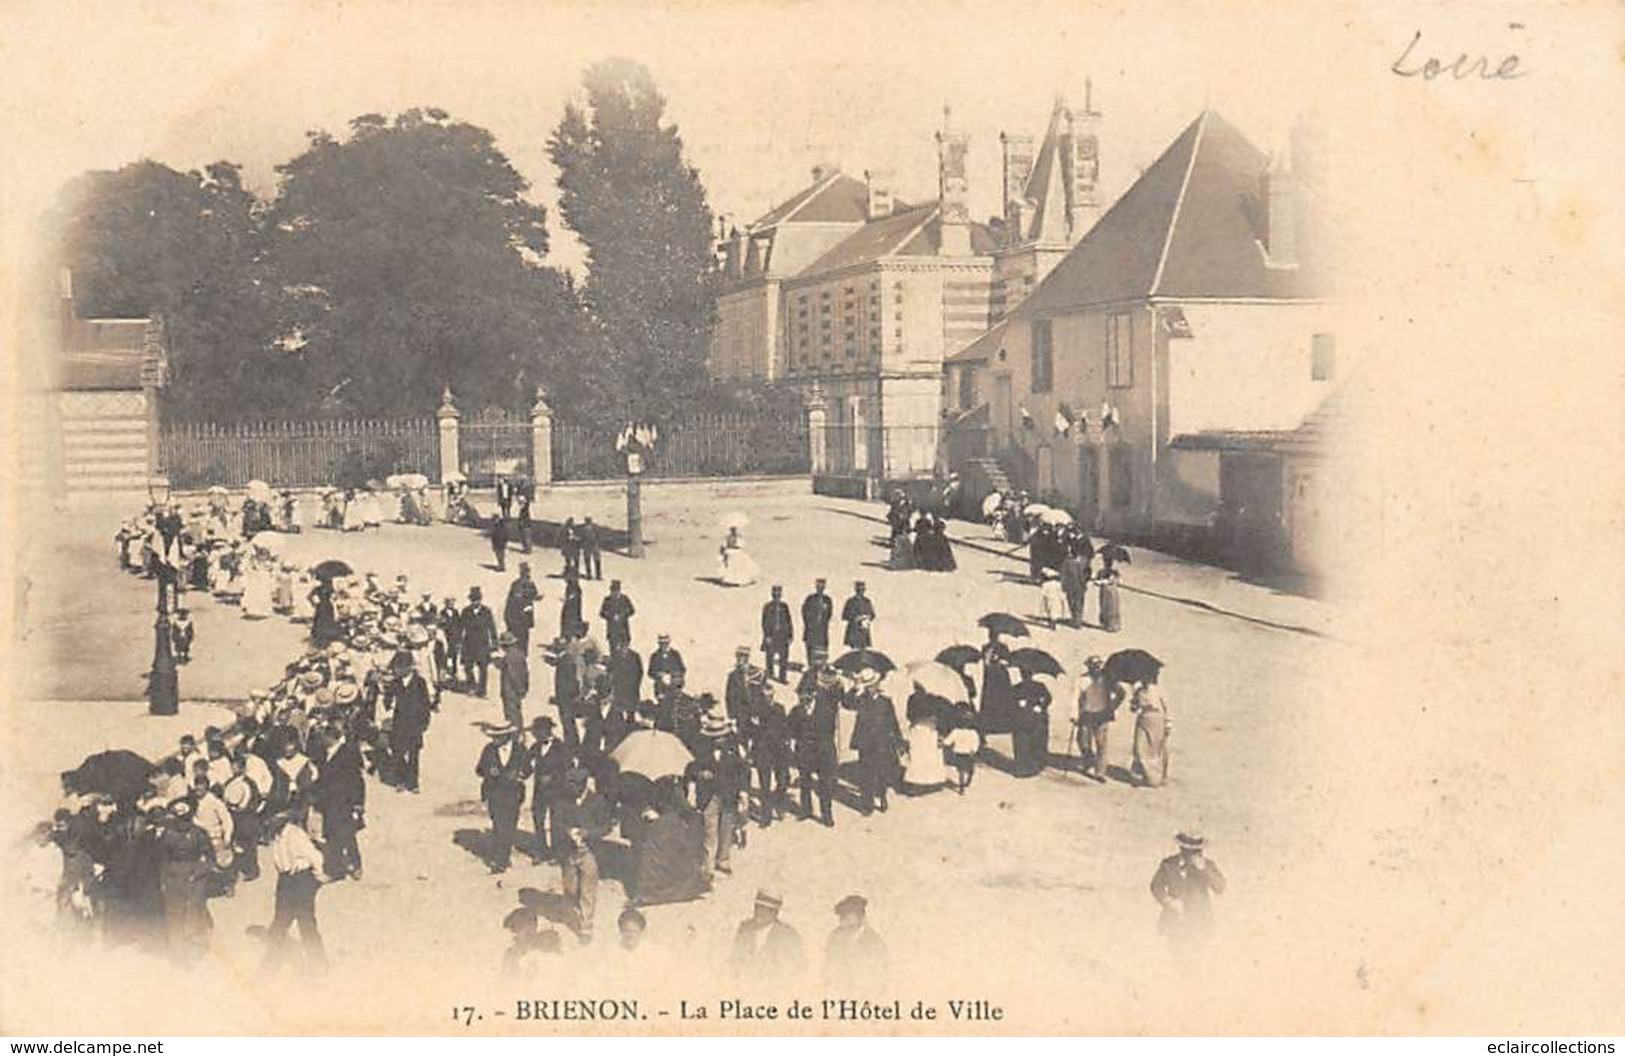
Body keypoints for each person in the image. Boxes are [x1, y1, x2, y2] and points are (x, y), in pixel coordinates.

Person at [264, 805, 328, 973]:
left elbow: (316, 857)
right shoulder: (276, 835)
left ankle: (318, 964)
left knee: (305, 923)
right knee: (280, 922)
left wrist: (316, 878)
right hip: (285, 881)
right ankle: (271, 964)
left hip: (300, 881)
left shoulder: (295, 834)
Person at [627, 779, 707, 907]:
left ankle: (652, 892)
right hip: (668, 825)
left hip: (664, 826)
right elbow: (685, 808)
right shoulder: (673, 787)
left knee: (655, 858)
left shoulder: (649, 786)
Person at [155, 798, 214, 963]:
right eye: (178, 816)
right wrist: (163, 880)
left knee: (192, 914)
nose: (181, 822)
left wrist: (198, 873)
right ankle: (179, 954)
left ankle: (191, 952)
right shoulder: (167, 834)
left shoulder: (199, 833)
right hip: (174, 877)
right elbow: (162, 859)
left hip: (193, 879)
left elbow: (209, 858)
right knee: (175, 915)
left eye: (184, 816)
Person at [557, 770, 611, 944]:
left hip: (590, 851)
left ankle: (586, 927)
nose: (569, 788)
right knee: (571, 889)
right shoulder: (563, 800)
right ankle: (576, 912)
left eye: (574, 784)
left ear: (583, 784)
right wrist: (567, 831)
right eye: (568, 784)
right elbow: (558, 822)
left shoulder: (597, 801)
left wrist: (588, 833)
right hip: (569, 852)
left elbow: (606, 826)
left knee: (588, 890)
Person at [1150, 831, 1226, 947]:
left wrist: (1204, 869)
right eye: (1188, 850)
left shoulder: (1208, 865)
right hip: (1176, 923)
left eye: (1197, 850)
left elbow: (1220, 888)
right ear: (1181, 849)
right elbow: (1156, 886)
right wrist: (1168, 901)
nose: (1193, 854)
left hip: (1200, 923)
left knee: (1200, 961)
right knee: (1176, 959)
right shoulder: (1169, 864)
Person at [791, 662, 839, 826]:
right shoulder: (796, 711)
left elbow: (830, 731)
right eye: (801, 696)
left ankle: (827, 814)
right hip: (804, 752)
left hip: (822, 752)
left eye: (807, 696)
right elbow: (791, 730)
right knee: (805, 782)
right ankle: (806, 810)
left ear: (813, 695)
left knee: (824, 785)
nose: (804, 699)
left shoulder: (826, 711)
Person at [476, 725, 528, 874]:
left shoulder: (519, 749)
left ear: (506, 737)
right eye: (493, 737)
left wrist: (519, 774)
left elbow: (528, 769)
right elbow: (479, 769)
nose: (494, 740)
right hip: (494, 792)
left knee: (509, 825)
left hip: (513, 793)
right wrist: (488, 770)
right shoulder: (488, 750)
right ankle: (501, 856)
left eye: (497, 737)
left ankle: (501, 859)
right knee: (498, 824)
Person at [849, 669, 901, 814]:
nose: (871, 688)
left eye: (873, 684)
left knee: (881, 772)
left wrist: (898, 740)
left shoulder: (886, 701)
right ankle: (867, 804)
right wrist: (855, 686)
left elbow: (893, 722)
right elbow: (847, 703)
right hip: (865, 742)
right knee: (865, 773)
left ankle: (882, 796)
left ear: (878, 684)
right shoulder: (861, 699)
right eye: (868, 685)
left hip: (882, 742)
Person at [729, 889, 805, 985]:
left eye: (766, 909)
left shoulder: (788, 935)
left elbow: (799, 969)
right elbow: (734, 961)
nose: (759, 912)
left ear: (775, 913)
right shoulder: (745, 929)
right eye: (757, 907)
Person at [747, 682, 793, 826]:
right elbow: (750, 732)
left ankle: (779, 805)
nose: (768, 699)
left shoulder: (780, 708)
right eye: (765, 696)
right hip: (763, 751)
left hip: (779, 751)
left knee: (783, 780)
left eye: (770, 696)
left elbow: (785, 728)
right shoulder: (756, 710)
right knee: (765, 785)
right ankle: (766, 816)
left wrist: (787, 742)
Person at [388, 652, 434, 793]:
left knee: (414, 754)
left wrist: (424, 723)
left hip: (414, 723)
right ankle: (400, 780)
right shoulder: (395, 683)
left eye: (399, 667)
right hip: (399, 723)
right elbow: (388, 701)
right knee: (398, 752)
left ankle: (413, 783)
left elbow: (426, 704)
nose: (396, 670)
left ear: (408, 667)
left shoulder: (420, 682)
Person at [525, 717, 569, 863]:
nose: (534, 735)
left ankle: (557, 853)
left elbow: (566, 768)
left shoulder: (561, 747)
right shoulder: (536, 746)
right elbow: (526, 763)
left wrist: (552, 778)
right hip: (539, 790)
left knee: (556, 821)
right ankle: (542, 851)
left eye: (536, 731)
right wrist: (522, 773)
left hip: (557, 790)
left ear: (546, 730)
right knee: (538, 819)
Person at [823, 894, 888, 990]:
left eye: (848, 918)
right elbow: (829, 963)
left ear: (861, 918)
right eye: (842, 918)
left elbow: (882, 967)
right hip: (840, 988)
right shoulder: (835, 936)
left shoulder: (873, 939)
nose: (844, 922)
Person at [1074, 656, 1117, 781]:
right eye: (1093, 666)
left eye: (1098, 666)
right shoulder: (1081, 680)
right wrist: (1074, 714)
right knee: (1082, 741)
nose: (1095, 668)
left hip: (1102, 715)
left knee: (1101, 745)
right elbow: (1075, 697)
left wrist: (1112, 707)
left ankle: (1100, 772)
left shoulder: (1107, 679)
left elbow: (1121, 693)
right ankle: (1088, 761)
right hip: (1086, 714)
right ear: (1088, 667)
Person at [901, 690, 947, 793]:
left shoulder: (914, 700)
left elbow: (909, 716)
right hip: (928, 731)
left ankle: (918, 783)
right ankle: (931, 782)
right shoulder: (938, 702)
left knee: (920, 757)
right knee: (929, 757)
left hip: (921, 731)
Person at [1010, 668, 1053, 777]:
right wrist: (1017, 704)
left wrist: (1040, 706)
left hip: (1036, 719)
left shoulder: (1039, 686)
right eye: (1024, 674)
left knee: (1035, 742)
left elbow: (1047, 698)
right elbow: (1009, 701)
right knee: (1022, 744)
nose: (1025, 676)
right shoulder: (1017, 687)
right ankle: (1023, 768)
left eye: (1027, 674)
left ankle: (1033, 766)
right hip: (1023, 719)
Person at [1130, 677, 1171, 788]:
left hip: (1157, 720)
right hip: (1143, 720)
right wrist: (1134, 702)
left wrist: (1168, 723)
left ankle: (1155, 778)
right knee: (1139, 748)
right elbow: (1134, 708)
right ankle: (1138, 776)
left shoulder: (1158, 690)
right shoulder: (1138, 691)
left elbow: (1166, 707)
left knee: (1155, 749)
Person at [460, 586, 499, 697]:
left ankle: (482, 690)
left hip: (483, 644)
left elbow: (492, 627)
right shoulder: (466, 611)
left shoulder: (486, 611)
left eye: (477, 599)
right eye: (473, 600)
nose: (475, 602)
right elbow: (460, 628)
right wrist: (458, 643)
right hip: (469, 643)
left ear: (481, 600)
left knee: (483, 668)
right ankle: (471, 686)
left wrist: (494, 642)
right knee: (468, 666)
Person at [978, 629, 1015, 735]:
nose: (993, 637)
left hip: (1001, 677)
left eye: (995, 635)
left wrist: (999, 660)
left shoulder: (1003, 647)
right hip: (990, 677)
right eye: (992, 635)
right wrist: (988, 660)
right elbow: (984, 662)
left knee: (1002, 700)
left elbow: (1009, 661)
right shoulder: (985, 647)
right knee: (990, 700)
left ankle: (1002, 724)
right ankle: (989, 724)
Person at [943, 700, 981, 794]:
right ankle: (963, 786)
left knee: (963, 770)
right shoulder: (970, 733)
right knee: (965, 770)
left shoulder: (959, 731)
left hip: (962, 753)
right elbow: (976, 742)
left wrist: (943, 743)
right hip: (965, 753)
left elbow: (948, 740)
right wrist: (974, 750)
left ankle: (964, 784)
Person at [760, 585, 794, 682]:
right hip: (772, 636)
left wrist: (790, 635)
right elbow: (764, 622)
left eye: (779, 595)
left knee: (784, 658)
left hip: (783, 636)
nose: (777, 597)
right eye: (775, 595)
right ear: (772, 595)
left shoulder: (784, 606)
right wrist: (767, 636)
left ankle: (782, 677)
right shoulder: (768, 607)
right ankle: (770, 675)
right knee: (770, 657)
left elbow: (789, 621)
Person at [504, 562, 539, 651]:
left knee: (523, 637)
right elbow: (512, 599)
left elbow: (534, 594)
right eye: (526, 571)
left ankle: (521, 656)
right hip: (517, 615)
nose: (528, 573)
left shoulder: (530, 584)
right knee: (518, 637)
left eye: (528, 571)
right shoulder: (517, 584)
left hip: (524, 616)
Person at [498, 633, 530, 729]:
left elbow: (513, 675)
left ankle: (517, 736)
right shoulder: (520, 654)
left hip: (510, 690)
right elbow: (525, 672)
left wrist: (518, 688)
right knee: (517, 712)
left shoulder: (508, 658)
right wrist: (524, 688)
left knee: (513, 715)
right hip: (519, 688)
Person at [800, 579, 833, 669]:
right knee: (810, 647)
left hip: (822, 629)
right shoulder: (810, 599)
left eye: (822, 587)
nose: (820, 589)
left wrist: (823, 622)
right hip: (811, 628)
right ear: (816, 587)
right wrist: (809, 623)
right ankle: (810, 665)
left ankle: (821, 666)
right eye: (818, 587)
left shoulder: (827, 600)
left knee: (822, 648)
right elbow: (804, 611)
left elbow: (829, 614)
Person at [1061, 545, 1093, 628]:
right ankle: (1076, 619)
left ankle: (1077, 620)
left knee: (1076, 603)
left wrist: (1086, 579)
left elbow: (1089, 571)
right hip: (1076, 585)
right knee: (1075, 602)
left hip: (1075, 585)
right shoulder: (1081, 560)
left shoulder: (1068, 562)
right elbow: (1064, 574)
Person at [647, 634, 686, 702]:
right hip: (661, 687)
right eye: (661, 644)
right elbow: (650, 672)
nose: (664, 646)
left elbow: (682, 669)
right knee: (663, 705)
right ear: (659, 644)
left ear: (668, 643)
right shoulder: (655, 656)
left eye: (665, 643)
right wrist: (658, 674)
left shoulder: (675, 655)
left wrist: (673, 674)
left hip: (674, 686)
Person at [599, 580, 635, 650]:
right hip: (612, 629)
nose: (614, 593)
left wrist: (622, 615)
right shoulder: (607, 600)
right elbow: (602, 613)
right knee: (613, 649)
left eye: (616, 591)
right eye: (613, 591)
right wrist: (610, 616)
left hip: (623, 629)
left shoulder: (624, 599)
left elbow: (632, 610)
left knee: (624, 648)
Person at [840, 581, 875, 650]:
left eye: (862, 590)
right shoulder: (851, 601)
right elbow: (844, 616)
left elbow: (872, 615)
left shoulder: (867, 601)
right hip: (854, 630)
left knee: (863, 650)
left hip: (864, 630)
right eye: (859, 590)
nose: (861, 592)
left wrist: (867, 618)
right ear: (856, 590)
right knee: (854, 651)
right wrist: (855, 618)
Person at [310, 579, 340, 648]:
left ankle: (322, 638)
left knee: (324, 621)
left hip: (324, 606)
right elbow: (335, 597)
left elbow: (310, 596)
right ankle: (322, 638)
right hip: (325, 606)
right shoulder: (323, 588)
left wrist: (314, 603)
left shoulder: (321, 588)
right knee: (322, 621)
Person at [1096, 562, 1123, 633]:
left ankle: (1113, 625)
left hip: (1112, 592)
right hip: (1104, 591)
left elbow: (1120, 581)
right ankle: (1106, 624)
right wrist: (1103, 581)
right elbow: (1097, 581)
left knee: (1113, 607)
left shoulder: (1115, 572)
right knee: (1105, 607)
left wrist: (1113, 580)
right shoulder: (1101, 571)